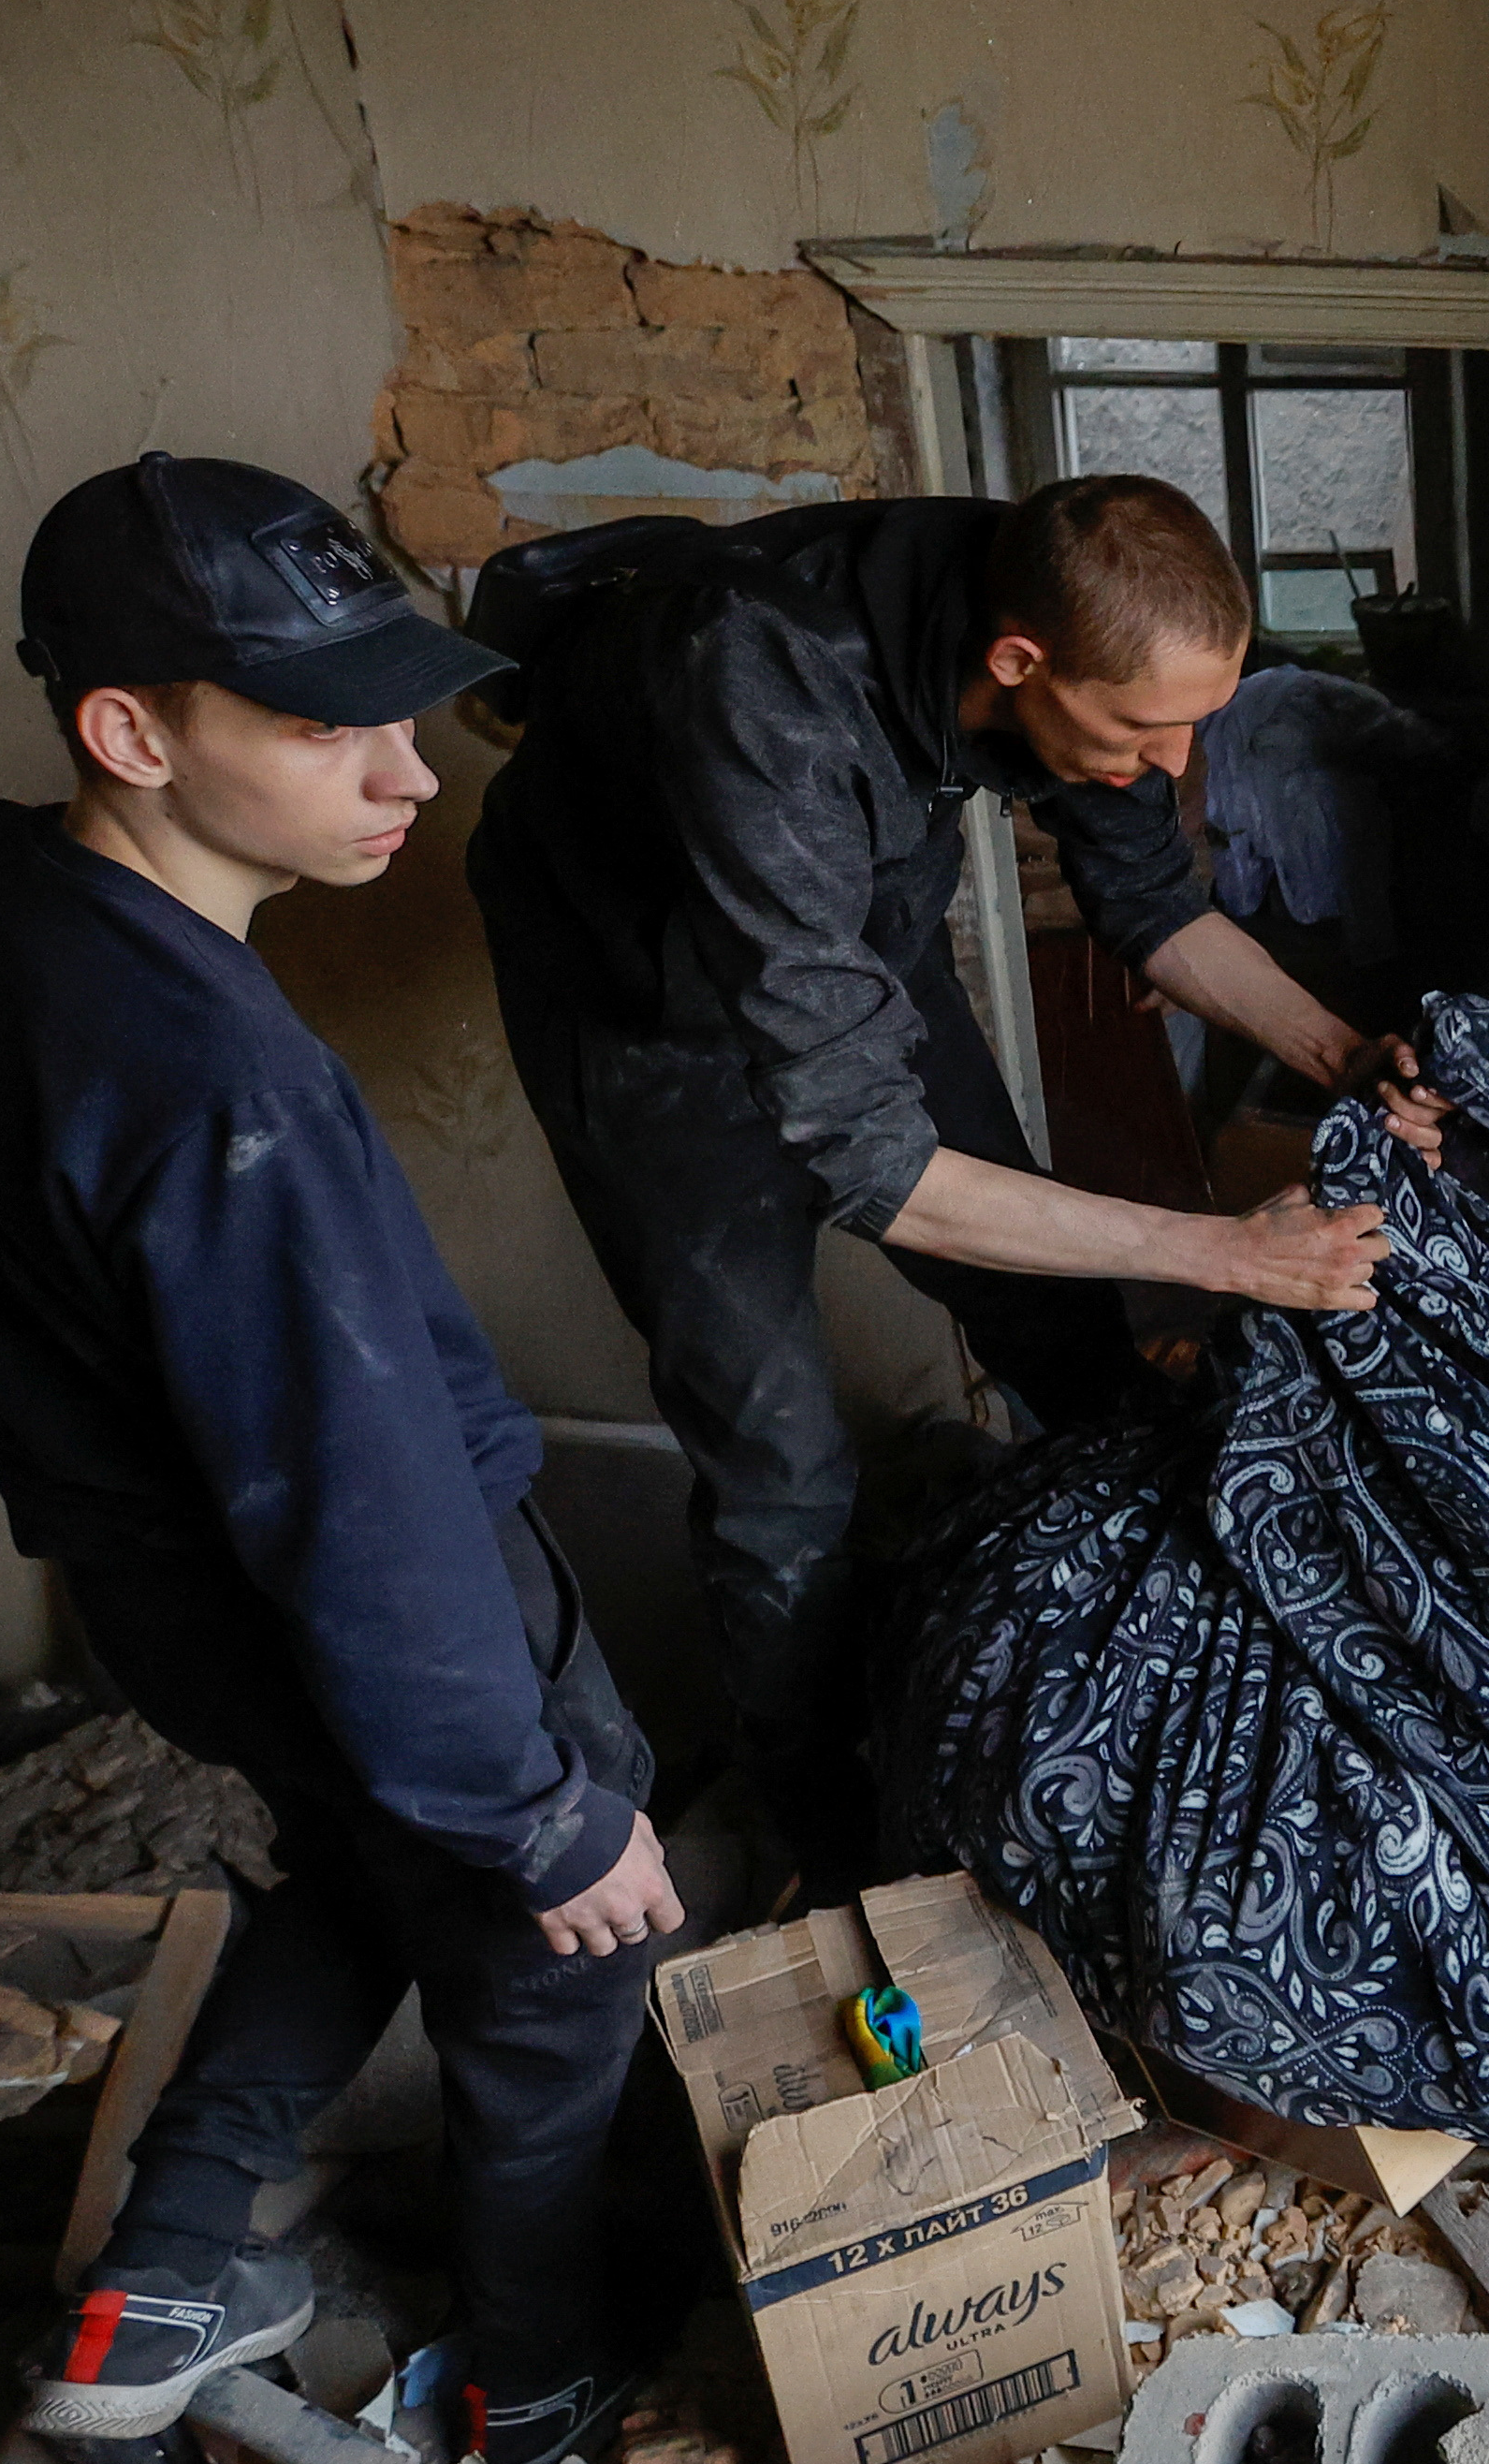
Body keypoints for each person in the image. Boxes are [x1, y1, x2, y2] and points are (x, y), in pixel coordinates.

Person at [0, 454, 685, 2464]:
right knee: (561, 1962)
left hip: (168, 1595)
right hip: (356, 1578)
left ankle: (169, 2255)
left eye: (399, 714)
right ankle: (538, 2375)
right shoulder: (227, 1089)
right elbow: (355, 1490)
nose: (406, 778)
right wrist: (541, 1809)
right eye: (329, 726)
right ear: (129, 732)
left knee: (363, 1860)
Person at [463, 477, 1426, 1885]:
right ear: (1019, 663)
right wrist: (1224, 1251)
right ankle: (832, 1840)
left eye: (1194, 728)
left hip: (848, 944)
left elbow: (1153, 904)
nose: (1168, 765)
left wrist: (1347, 1057)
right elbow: (879, 1169)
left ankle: (1163, 1670)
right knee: (781, 1468)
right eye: (1140, 732)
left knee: (1058, 1331)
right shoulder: (761, 668)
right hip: (644, 1018)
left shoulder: (1073, 601)